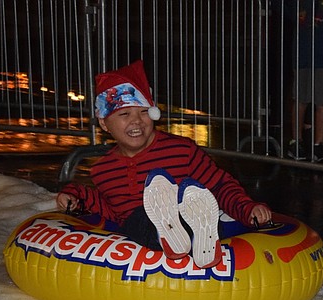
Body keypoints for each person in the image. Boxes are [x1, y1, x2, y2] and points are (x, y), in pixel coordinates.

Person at [56, 60, 272, 269]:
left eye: (144, 112)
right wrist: (75, 196)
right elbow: (111, 210)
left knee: (202, 210)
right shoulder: (103, 170)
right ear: (104, 123)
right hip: (144, 227)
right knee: (136, 220)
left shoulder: (181, 151)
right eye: (124, 114)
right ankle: (173, 233)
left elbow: (219, 185)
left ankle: (196, 233)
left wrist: (247, 209)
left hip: (189, 214)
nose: (137, 121)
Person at [285, 0, 323, 163]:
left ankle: (319, 144)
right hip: (303, 49)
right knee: (300, 97)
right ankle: (296, 141)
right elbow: (286, 7)